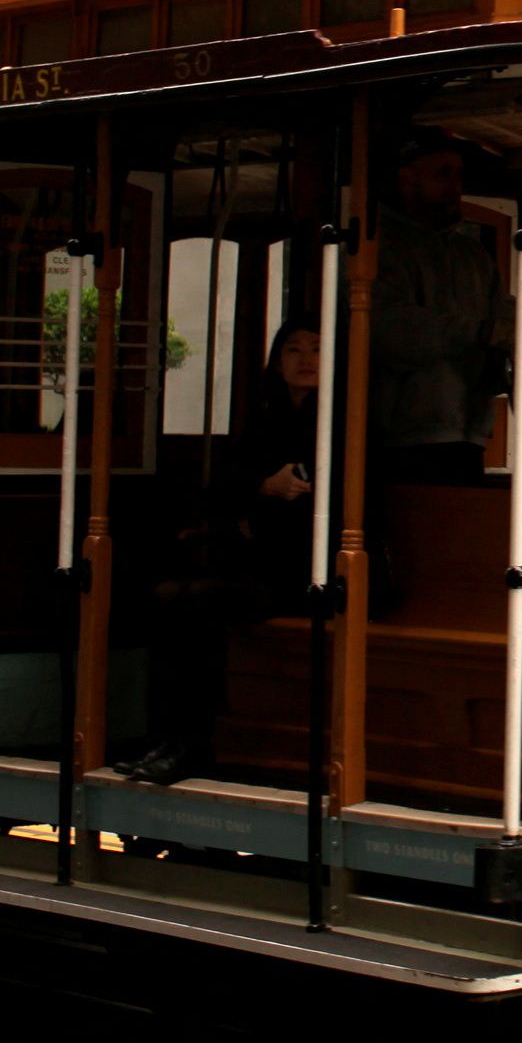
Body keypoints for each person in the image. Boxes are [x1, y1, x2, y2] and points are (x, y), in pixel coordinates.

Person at [126, 324, 326, 786]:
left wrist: (266, 497)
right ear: (278, 362)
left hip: (304, 570)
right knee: (166, 596)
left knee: (199, 606)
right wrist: (264, 487)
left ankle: (193, 747)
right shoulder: (266, 417)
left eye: (316, 349)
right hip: (257, 560)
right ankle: (163, 740)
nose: (305, 359)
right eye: (293, 349)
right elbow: (224, 486)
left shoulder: (339, 421)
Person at [369, 134, 504, 484]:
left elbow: (501, 315)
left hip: (469, 432)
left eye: (459, 175)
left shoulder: (474, 256)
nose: (455, 186)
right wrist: (479, 332)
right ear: (407, 180)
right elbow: (393, 331)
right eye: (443, 174)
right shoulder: (379, 248)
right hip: (403, 439)